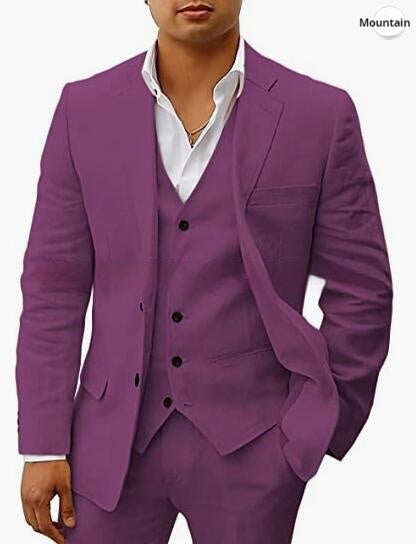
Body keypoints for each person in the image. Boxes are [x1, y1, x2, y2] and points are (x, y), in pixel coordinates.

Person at [16, 1, 393, 542]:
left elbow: (362, 288)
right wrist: (43, 444)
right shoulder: (84, 110)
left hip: (256, 447)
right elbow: (53, 289)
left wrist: (316, 428)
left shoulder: (320, 115)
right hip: (107, 444)